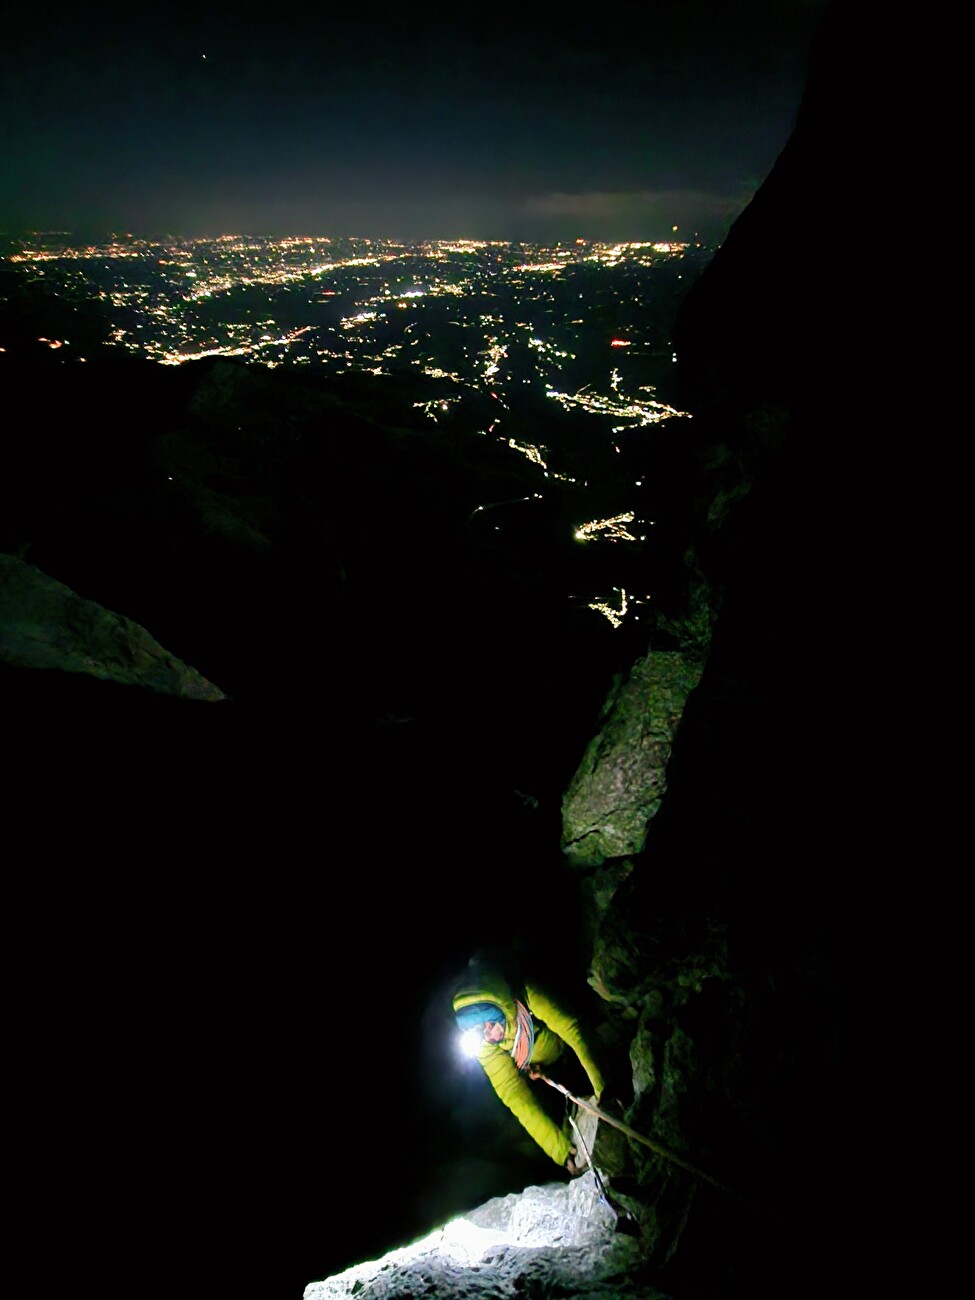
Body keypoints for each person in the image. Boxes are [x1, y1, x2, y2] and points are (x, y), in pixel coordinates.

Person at [452, 949, 606, 1175]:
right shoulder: (486, 1043)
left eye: (489, 1024)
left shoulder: (529, 994)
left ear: (502, 1009)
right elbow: (512, 1092)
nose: (488, 1035)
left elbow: (574, 1030)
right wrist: (558, 1149)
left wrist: (604, 1090)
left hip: (568, 1049)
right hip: (546, 1069)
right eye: (478, 1030)